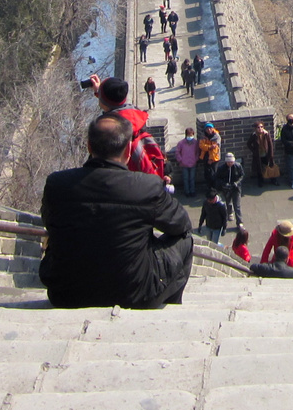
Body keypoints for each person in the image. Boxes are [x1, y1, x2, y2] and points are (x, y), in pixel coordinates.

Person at [39, 113, 193, 309]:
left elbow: (48, 221)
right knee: (186, 239)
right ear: (128, 149)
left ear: (89, 147)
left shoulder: (56, 184)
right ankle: (170, 304)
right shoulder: (146, 187)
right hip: (136, 294)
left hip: (65, 293)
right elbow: (181, 225)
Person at [84, 75, 166, 178]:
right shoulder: (135, 116)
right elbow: (112, 105)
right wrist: (100, 92)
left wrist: (101, 93)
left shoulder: (110, 131)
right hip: (146, 181)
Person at [215, 151, 245, 227]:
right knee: (228, 202)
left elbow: (242, 175)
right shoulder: (221, 168)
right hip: (226, 189)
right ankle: (230, 213)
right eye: (228, 162)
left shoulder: (238, 166)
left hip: (236, 188)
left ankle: (239, 221)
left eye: (231, 162)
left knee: (237, 205)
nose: (230, 164)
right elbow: (218, 178)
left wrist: (236, 183)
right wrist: (224, 184)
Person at [247, 120, 275, 187]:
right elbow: (248, 144)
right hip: (258, 155)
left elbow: (270, 144)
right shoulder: (254, 135)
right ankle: (260, 181)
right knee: (259, 169)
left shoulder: (266, 134)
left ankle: (273, 180)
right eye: (258, 127)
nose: (260, 129)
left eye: (261, 127)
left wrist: (271, 154)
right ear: (256, 128)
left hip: (266, 154)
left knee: (269, 167)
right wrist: (254, 151)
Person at [174, 127, 199, 197]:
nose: (190, 136)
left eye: (191, 135)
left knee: (192, 179)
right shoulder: (181, 143)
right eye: (188, 135)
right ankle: (187, 192)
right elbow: (177, 152)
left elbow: (197, 152)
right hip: (184, 164)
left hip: (193, 163)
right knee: (185, 179)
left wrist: (196, 159)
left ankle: (192, 191)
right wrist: (180, 160)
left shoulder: (196, 143)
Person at [197, 122, 221, 190]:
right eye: (207, 128)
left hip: (214, 158)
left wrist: (211, 159)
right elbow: (201, 146)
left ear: (213, 128)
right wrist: (209, 147)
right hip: (205, 157)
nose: (209, 130)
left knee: (213, 174)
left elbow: (215, 149)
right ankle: (209, 187)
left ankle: (214, 188)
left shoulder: (216, 136)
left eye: (210, 128)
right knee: (207, 173)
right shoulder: (203, 136)